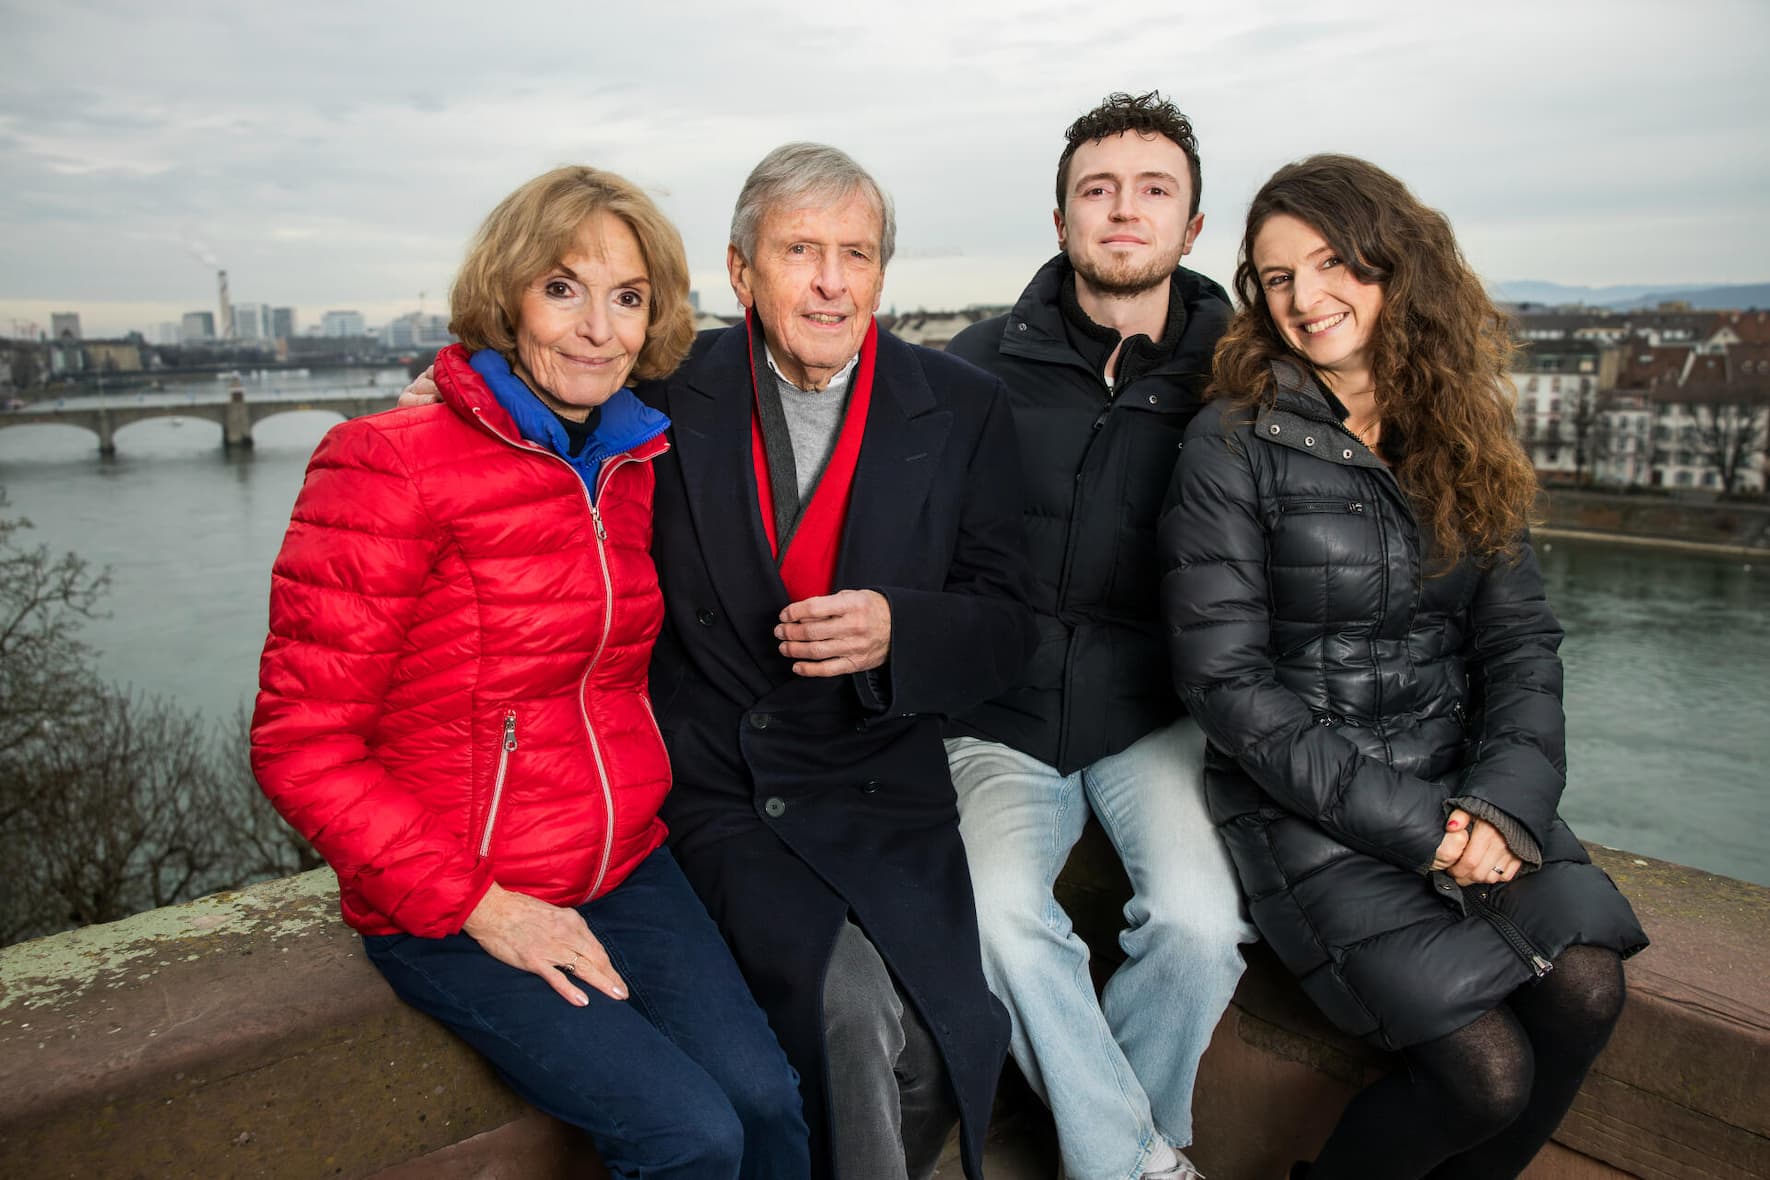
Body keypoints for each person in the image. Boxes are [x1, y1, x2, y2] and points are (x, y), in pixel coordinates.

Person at [252, 165, 809, 1179]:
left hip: (623, 862)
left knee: (769, 1106)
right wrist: (480, 903)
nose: (598, 327)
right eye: (563, 287)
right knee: (692, 1135)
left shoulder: (633, 459)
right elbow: (300, 743)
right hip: (456, 890)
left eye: (628, 297)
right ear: (507, 296)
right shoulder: (388, 463)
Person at [1159, 154, 1648, 1180]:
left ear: (1396, 264)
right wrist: (1431, 833)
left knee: (1591, 983)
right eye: (1277, 277)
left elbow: (1520, 642)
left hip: (1462, 784)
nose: (1305, 298)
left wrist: (1502, 808)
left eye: (1332, 262)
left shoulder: (1459, 425)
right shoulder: (1229, 441)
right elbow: (1230, 690)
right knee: (1486, 1073)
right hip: (1308, 813)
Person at [644, 142, 1036, 1180]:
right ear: (740, 272)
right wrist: (452, 387)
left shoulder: (959, 408)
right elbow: (537, 399)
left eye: (854, 254)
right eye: (800, 250)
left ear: (880, 273)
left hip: (879, 780)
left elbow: (1010, 625)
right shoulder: (659, 392)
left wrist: (902, 630)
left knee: (954, 1051)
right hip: (723, 786)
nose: (829, 280)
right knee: (850, 1007)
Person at [941, 91, 1254, 1180]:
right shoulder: (972, 364)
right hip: (1000, 710)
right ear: (1064, 216)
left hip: (1159, 712)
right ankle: (1139, 1162)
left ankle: (1110, 1154)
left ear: (1193, 227)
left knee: (1202, 928)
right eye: (1098, 190)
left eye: (1153, 190)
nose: (1124, 211)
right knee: (991, 913)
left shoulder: (1246, 378)